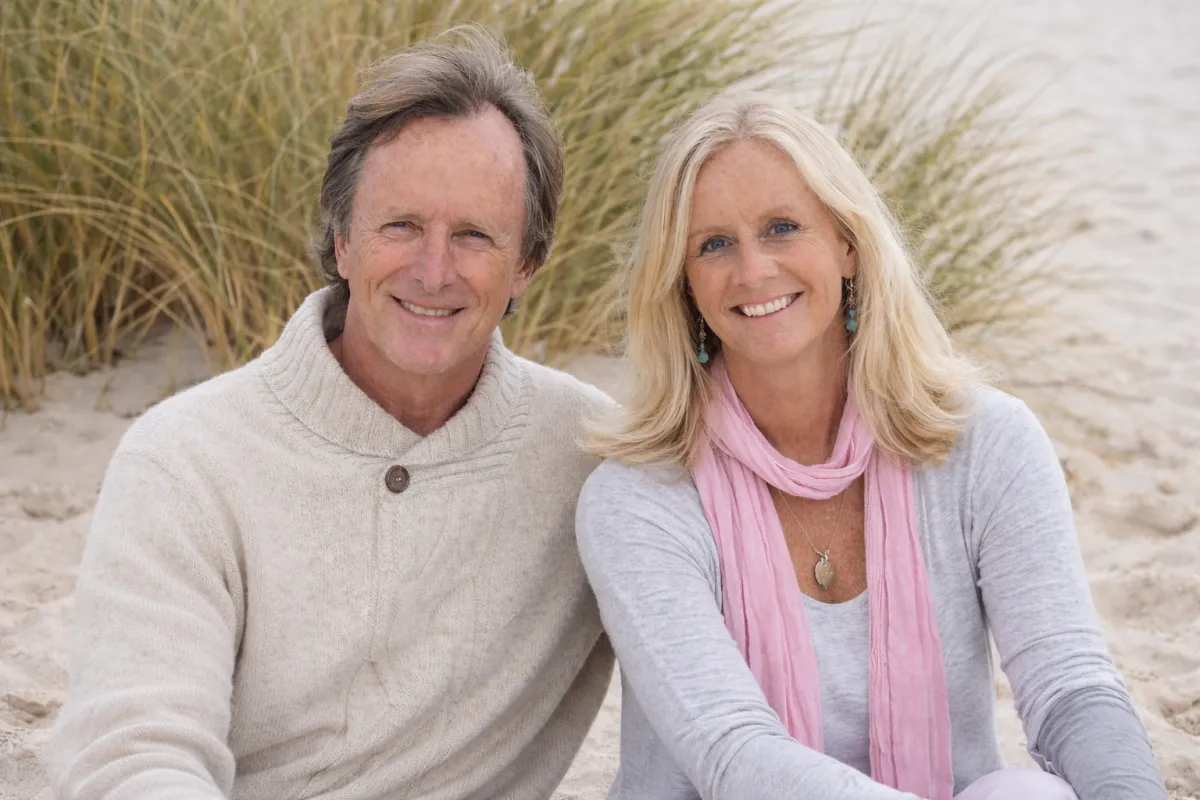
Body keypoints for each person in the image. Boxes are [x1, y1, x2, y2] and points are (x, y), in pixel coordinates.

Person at [48, 28, 613, 800]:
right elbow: (133, 757)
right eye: (401, 226)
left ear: (526, 266)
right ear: (342, 239)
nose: (434, 270)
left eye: (474, 235)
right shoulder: (184, 460)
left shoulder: (594, 457)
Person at [576, 95, 1167, 800]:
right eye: (714, 244)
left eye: (782, 228)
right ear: (684, 284)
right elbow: (733, 754)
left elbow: (1071, 690)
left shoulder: (987, 445)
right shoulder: (639, 498)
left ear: (847, 244)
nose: (753, 269)